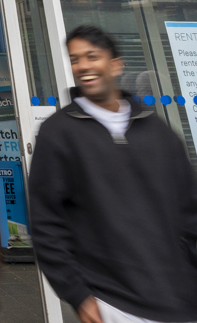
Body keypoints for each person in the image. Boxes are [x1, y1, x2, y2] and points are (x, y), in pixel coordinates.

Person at [29, 25, 197, 323]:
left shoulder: (158, 132)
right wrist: (78, 295)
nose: (83, 66)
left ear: (116, 64)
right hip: (112, 304)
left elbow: (190, 212)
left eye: (92, 56)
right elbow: (46, 223)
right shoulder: (58, 133)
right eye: (75, 59)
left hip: (179, 300)